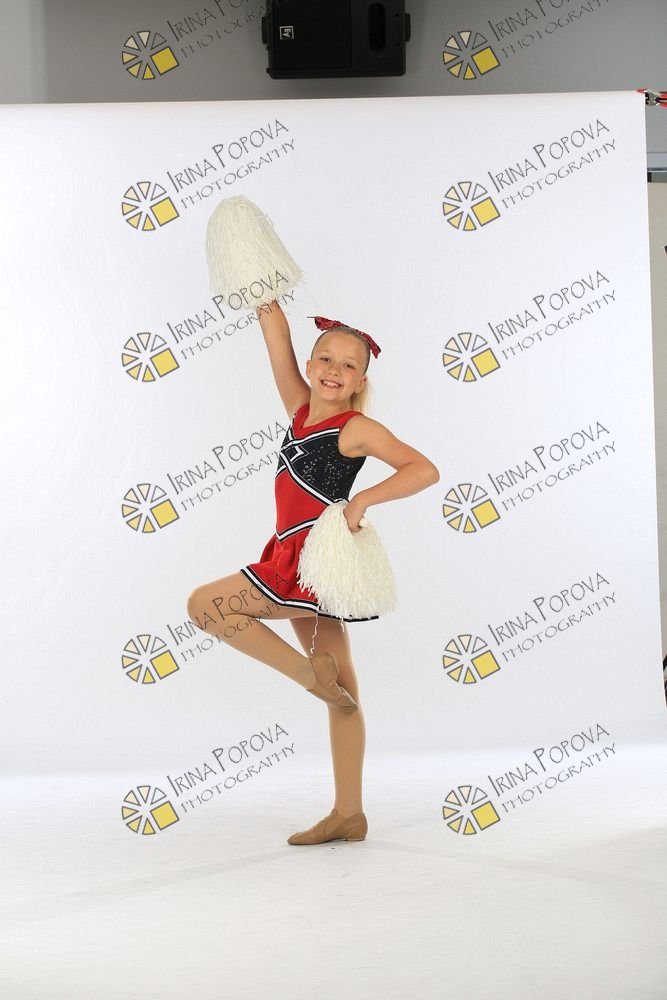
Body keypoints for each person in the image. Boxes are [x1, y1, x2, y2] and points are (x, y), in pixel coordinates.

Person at [186, 301, 439, 845]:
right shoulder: (299, 409)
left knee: (205, 605)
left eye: (348, 365)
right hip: (293, 558)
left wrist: (361, 501)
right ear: (310, 364)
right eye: (325, 358)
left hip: (310, 564)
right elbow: (276, 340)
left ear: (360, 381)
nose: (333, 370)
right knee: (343, 691)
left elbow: (423, 469)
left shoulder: (356, 428)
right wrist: (262, 291)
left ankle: (308, 678)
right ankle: (349, 813)